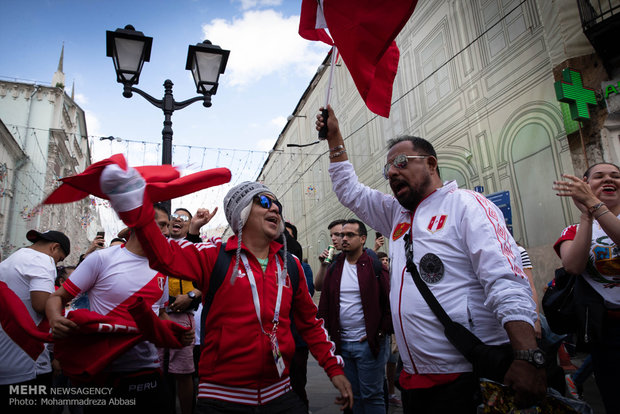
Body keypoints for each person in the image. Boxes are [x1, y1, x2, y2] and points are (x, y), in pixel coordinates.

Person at [316, 105, 545, 412]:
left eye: (400, 162)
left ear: (432, 163)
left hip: (466, 378)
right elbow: (350, 191)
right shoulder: (396, 214)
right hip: (414, 380)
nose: (392, 172)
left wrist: (527, 356)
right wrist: (334, 139)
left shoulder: (466, 205)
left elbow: (504, 281)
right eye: (388, 170)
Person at [99, 176, 353, 413]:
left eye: (277, 204)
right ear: (241, 213)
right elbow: (163, 253)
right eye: (265, 201)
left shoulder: (292, 265)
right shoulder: (213, 256)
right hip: (221, 399)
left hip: (281, 394)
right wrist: (134, 206)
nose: (275, 208)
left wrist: (333, 368)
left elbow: (310, 323)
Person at [46, 203, 182, 413]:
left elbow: (160, 313)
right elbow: (58, 297)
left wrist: (176, 333)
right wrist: (55, 320)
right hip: (105, 371)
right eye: (162, 225)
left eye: (168, 226)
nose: (166, 232)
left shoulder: (161, 267)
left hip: (149, 370)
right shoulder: (101, 259)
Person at [552, 162, 620, 413]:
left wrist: (595, 205)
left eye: (615, 176)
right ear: (585, 184)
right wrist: (586, 216)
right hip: (608, 331)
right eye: (598, 176)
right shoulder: (574, 230)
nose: (608, 180)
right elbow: (573, 266)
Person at [318, 219, 391, 414]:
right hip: (343, 344)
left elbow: (389, 303)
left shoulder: (374, 266)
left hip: (368, 344)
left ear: (362, 239)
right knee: (353, 396)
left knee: (372, 396)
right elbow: (324, 303)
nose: (343, 239)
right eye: (342, 235)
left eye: (350, 235)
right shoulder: (334, 267)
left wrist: (380, 331)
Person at [0, 229, 69, 411]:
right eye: (59, 259)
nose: (56, 264)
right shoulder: (42, 259)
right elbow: (41, 304)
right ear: (54, 248)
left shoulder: (10, 260)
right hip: (27, 362)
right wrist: (65, 295)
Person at [163, 207, 204, 414]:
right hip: (158, 317)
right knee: (157, 371)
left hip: (182, 318)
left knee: (183, 372)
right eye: (174, 217)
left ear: (189, 226)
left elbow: (205, 283)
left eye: (183, 219)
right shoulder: (157, 246)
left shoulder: (195, 248)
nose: (177, 220)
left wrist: (189, 296)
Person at [284, 221, 314, 411]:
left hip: (297, 338)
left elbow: (308, 293)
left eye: (286, 234)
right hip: (276, 339)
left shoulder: (301, 267)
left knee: (297, 382)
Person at [314, 219, 346, 291]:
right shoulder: (335, 260)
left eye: (337, 234)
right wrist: (323, 265)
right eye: (331, 235)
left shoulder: (365, 256)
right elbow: (318, 287)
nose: (333, 238)